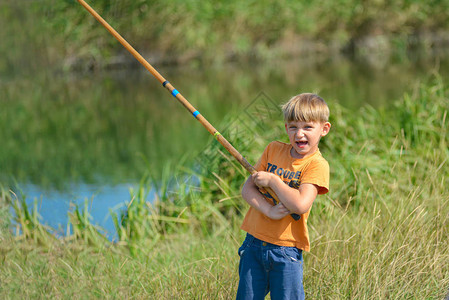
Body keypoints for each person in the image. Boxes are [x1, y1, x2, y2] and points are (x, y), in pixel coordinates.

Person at [236, 93, 331, 299]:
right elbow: (247, 189)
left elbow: (300, 204)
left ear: (324, 129)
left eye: (307, 127)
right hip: (253, 244)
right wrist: (269, 210)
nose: (299, 134)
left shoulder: (316, 165)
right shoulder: (273, 149)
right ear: (286, 128)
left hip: (286, 251)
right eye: (293, 127)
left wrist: (273, 181)